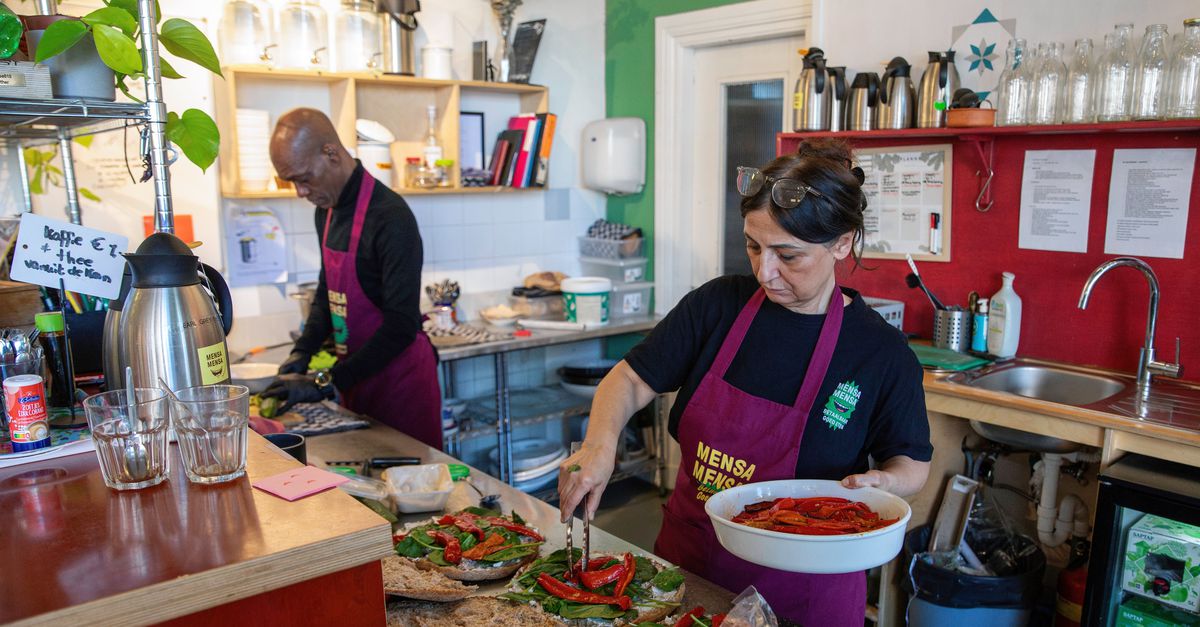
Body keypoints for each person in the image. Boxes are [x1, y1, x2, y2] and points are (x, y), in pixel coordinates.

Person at [557, 139, 932, 625]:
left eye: (788, 255)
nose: (764, 272)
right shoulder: (717, 306)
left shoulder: (880, 353)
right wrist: (598, 445)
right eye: (754, 246)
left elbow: (911, 462)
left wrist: (885, 482)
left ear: (842, 244)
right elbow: (630, 378)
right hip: (691, 571)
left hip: (805, 594)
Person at [261, 108, 442, 449]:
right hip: (357, 382)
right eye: (292, 182)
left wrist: (324, 383)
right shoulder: (326, 212)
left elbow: (401, 326)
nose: (300, 192)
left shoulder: (391, 217)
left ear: (331, 153)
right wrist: (302, 352)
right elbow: (327, 291)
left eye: (304, 178)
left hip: (402, 387)